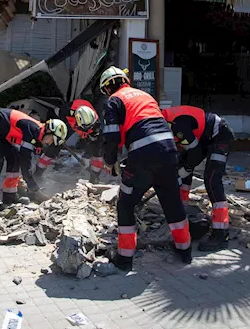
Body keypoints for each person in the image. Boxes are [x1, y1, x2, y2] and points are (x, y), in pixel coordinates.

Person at [99, 67, 191, 270]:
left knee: (125, 204)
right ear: (125, 80)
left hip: (142, 155)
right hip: (168, 151)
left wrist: (109, 161)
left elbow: (112, 136)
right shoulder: (144, 95)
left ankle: (124, 259)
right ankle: (185, 250)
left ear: (107, 88)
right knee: (172, 202)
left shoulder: (114, 100)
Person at [162, 105, 234, 251]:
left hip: (220, 136)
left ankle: (221, 234)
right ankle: (181, 214)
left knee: (212, 180)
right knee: (182, 167)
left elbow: (195, 153)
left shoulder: (177, 124)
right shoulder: (166, 121)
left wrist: (184, 171)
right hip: (203, 139)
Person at [0, 107, 67, 214]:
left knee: (14, 158)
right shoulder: (32, 130)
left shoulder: (37, 133)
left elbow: (23, 157)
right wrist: (33, 187)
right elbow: (25, 161)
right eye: (51, 139)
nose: (49, 143)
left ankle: (10, 196)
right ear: (48, 131)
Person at [66, 99, 106, 182]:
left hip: (86, 122)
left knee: (98, 150)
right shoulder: (66, 111)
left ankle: (94, 178)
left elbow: (93, 143)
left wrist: (87, 156)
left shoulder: (96, 123)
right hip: (71, 120)